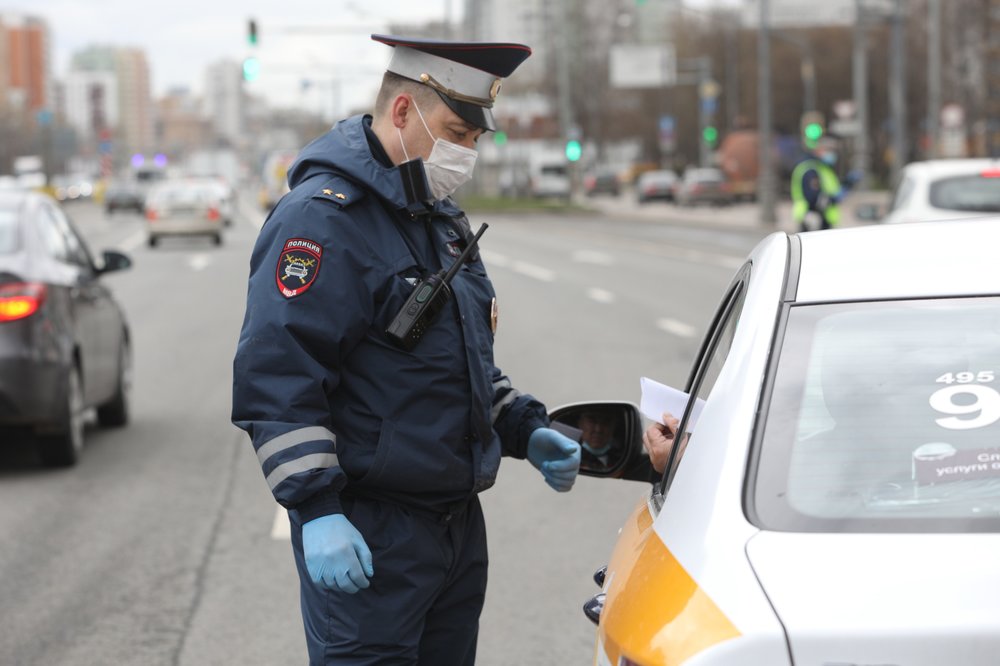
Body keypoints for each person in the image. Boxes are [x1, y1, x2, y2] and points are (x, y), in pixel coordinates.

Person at [231, 34, 581, 665]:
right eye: (456, 132)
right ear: (402, 113)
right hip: (369, 534)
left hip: (453, 530)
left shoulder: (438, 217)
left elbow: (460, 359)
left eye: (474, 139)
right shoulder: (322, 221)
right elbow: (278, 375)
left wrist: (526, 427)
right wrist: (316, 509)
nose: (465, 152)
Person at [790, 141, 848, 232]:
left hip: (822, 218)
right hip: (812, 218)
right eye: (828, 150)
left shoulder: (821, 167)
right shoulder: (810, 169)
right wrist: (833, 199)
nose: (831, 154)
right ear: (818, 150)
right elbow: (813, 197)